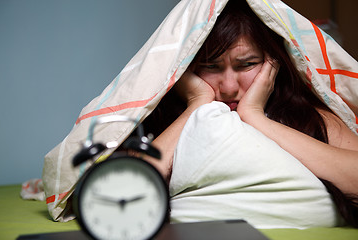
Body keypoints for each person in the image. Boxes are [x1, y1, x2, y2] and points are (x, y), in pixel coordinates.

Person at [142, 0, 358, 227]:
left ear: (273, 64)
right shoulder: (163, 121)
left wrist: (254, 116)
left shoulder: (309, 117)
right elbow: (121, 191)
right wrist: (197, 104)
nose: (228, 87)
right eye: (210, 66)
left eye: (246, 65)